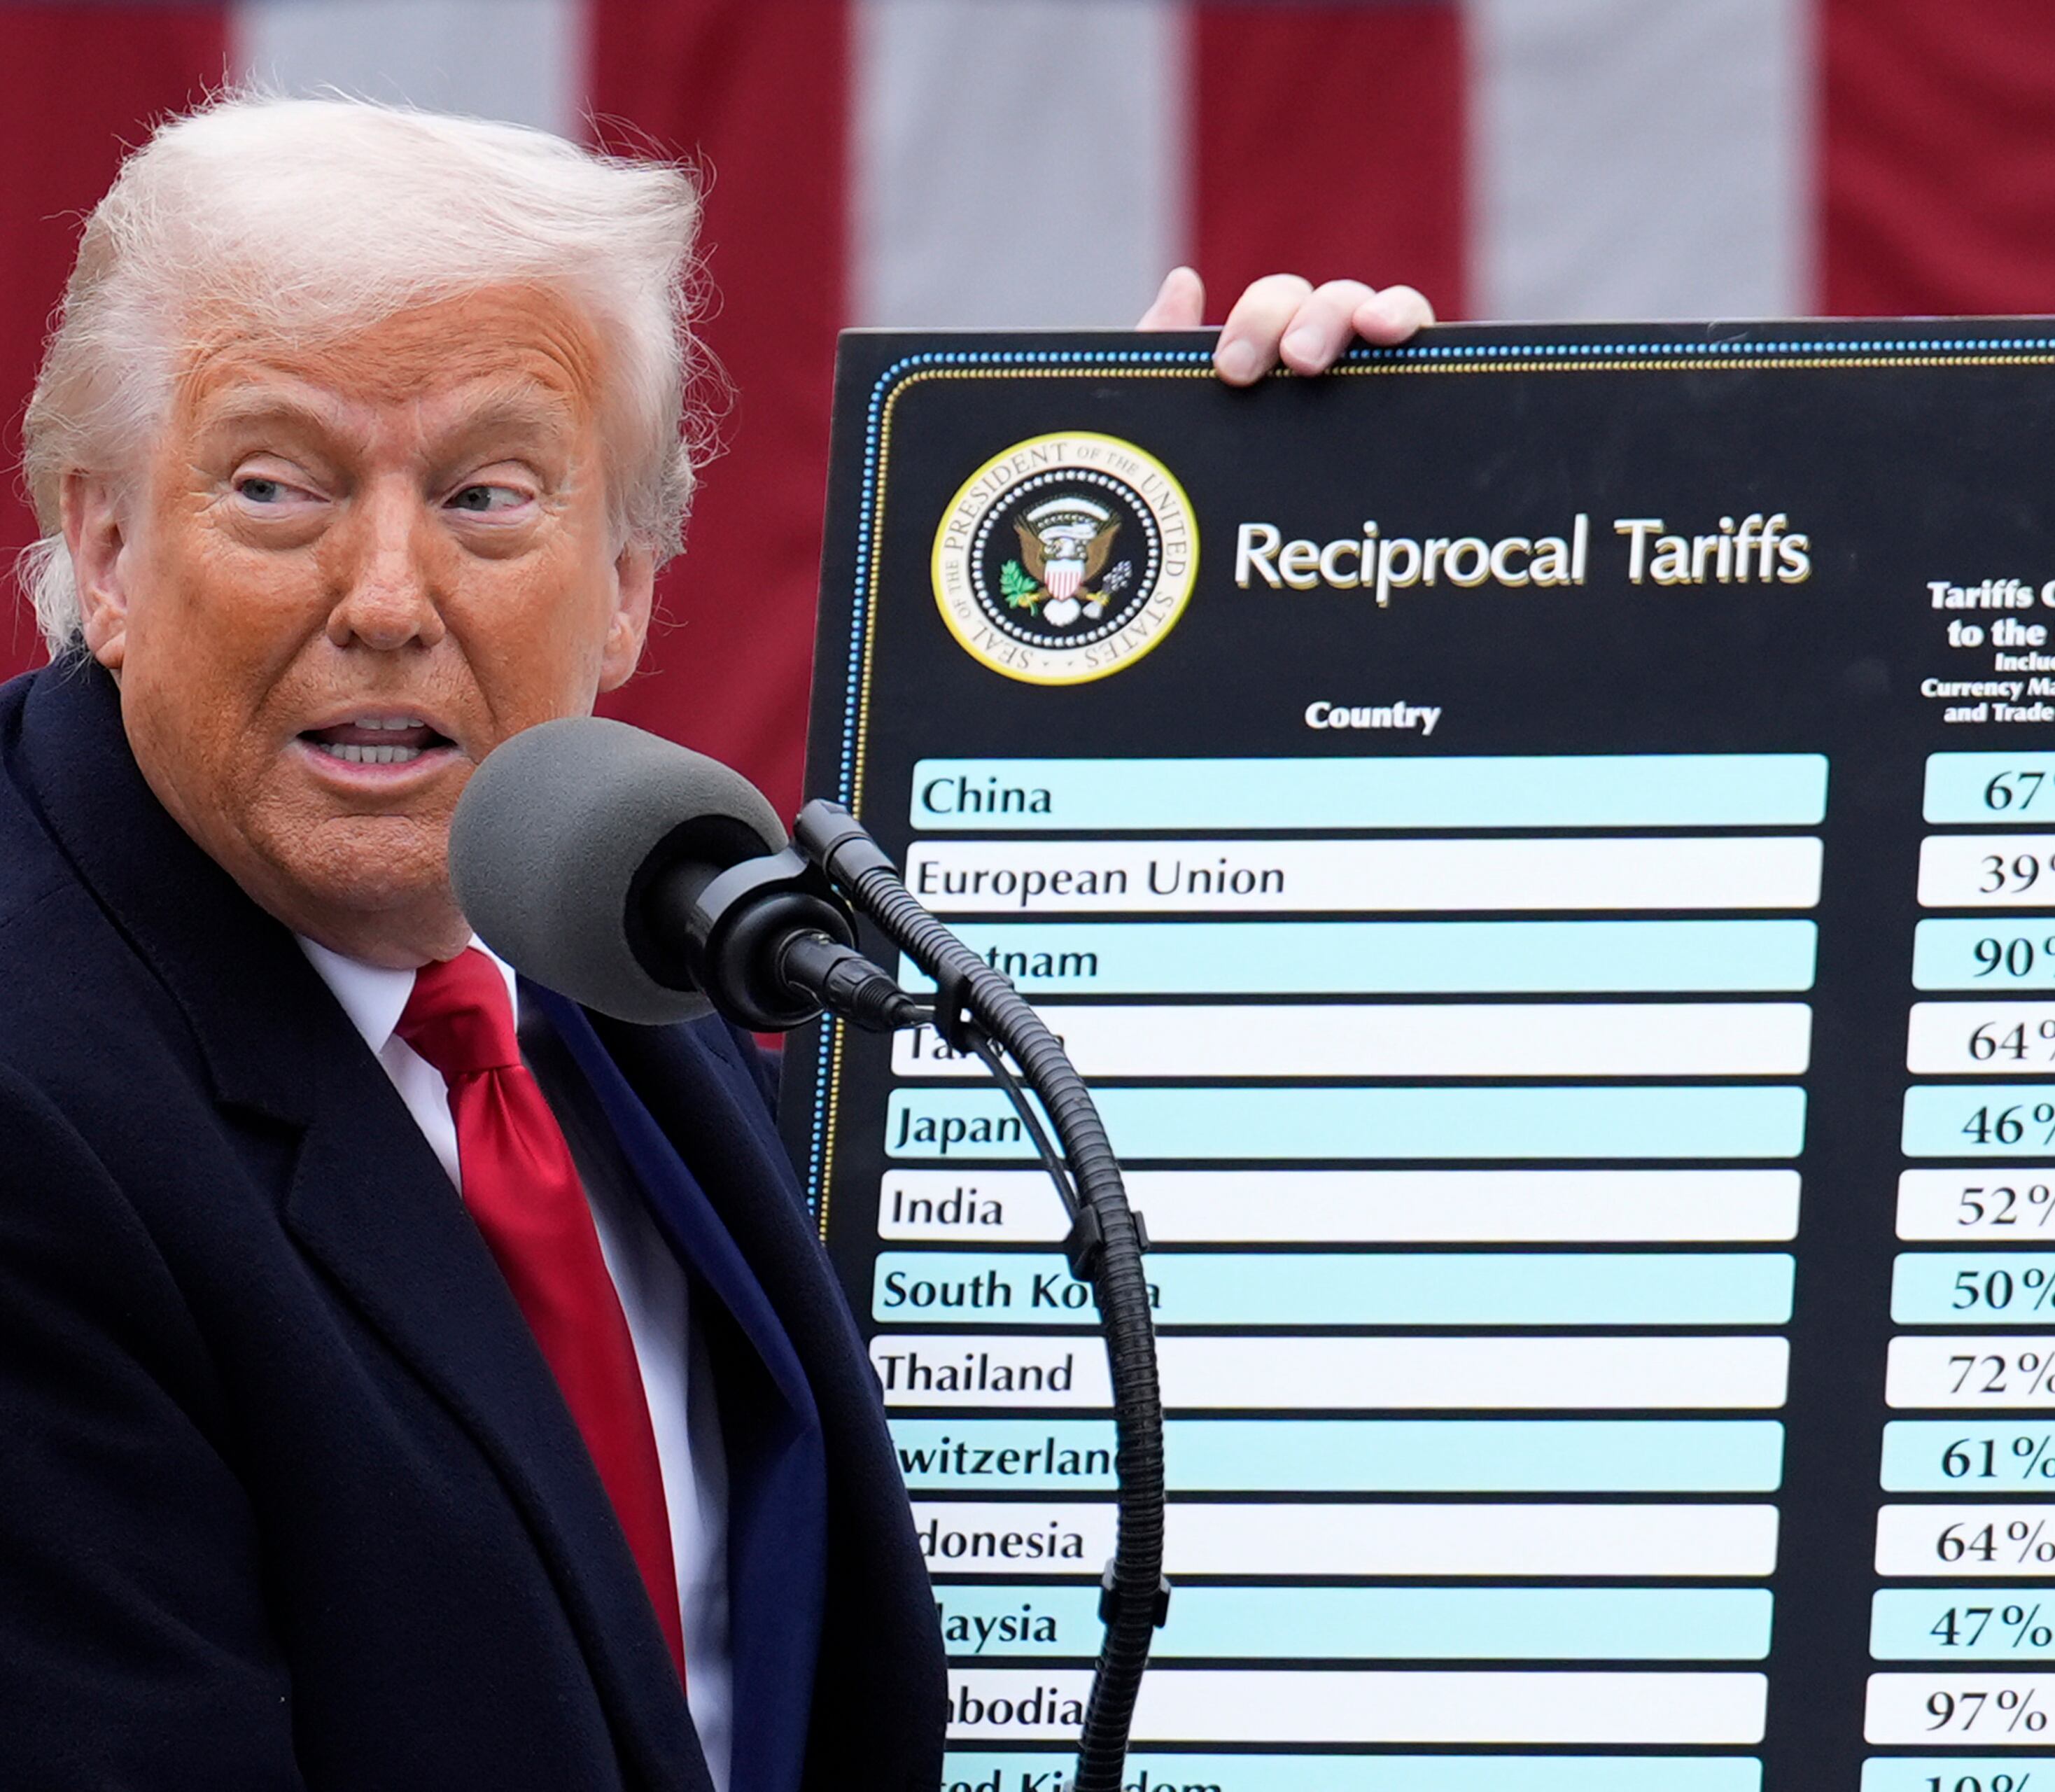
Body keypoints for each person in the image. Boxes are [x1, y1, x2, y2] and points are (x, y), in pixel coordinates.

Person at [0, 94, 1431, 1791]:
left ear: (626, 580)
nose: (386, 593)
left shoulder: (606, 914)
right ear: (103, 541)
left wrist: (1217, 608)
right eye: (274, 484)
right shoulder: (35, 1103)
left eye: (485, 494)